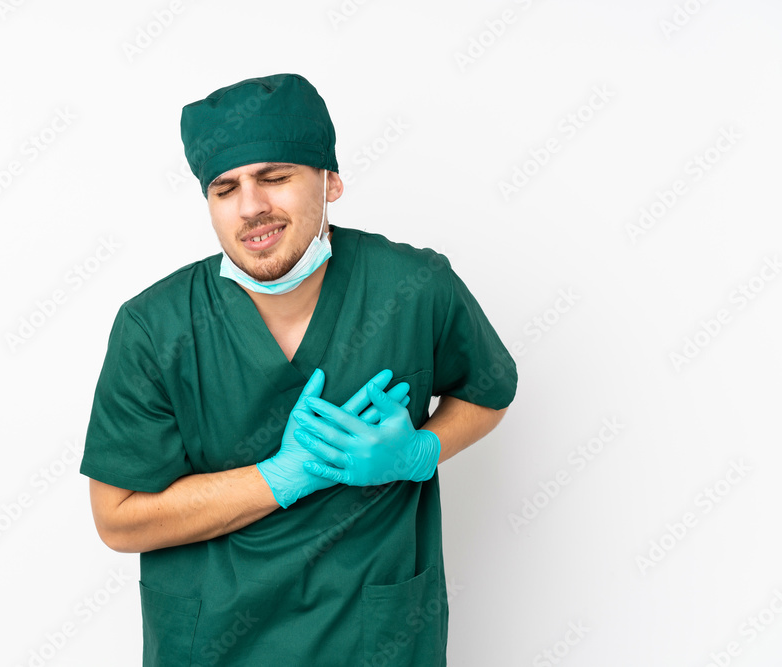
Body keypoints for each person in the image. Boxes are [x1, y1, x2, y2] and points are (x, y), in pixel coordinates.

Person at [79, 72, 518, 666]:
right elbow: (119, 520)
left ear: (330, 180)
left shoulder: (413, 288)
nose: (252, 206)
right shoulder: (156, 328)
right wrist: (284, 476)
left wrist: (418, 452)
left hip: (373, 635)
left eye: (275, 178)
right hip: (213, 643)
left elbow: (488, 392)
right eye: (225, 188)